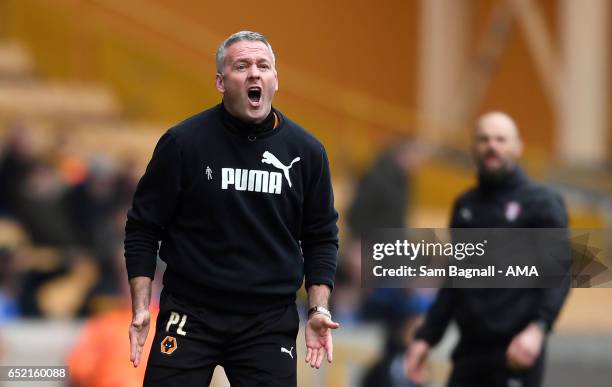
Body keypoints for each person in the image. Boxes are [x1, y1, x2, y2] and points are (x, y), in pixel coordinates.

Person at [125, 31, 340, 386]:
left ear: (275, 80)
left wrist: (318, 308)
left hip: (268, 320)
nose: (254, 73)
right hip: (190, 312)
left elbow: (321, 238)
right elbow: (143, 227)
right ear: (221, 82)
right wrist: (140, 306)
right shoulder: (183, 143)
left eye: (263, 65)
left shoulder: (308, 152)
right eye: (242, 66)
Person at [406, 112, 570, 387]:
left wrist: (538, 329)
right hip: (468, 352)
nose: (492, 146)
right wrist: (426, 337)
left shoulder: (542, 202)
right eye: (484, 139)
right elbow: (455, 279)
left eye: (500, 139)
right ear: (473, 147)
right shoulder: (465, 206)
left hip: (515, 352)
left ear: (518, 147)